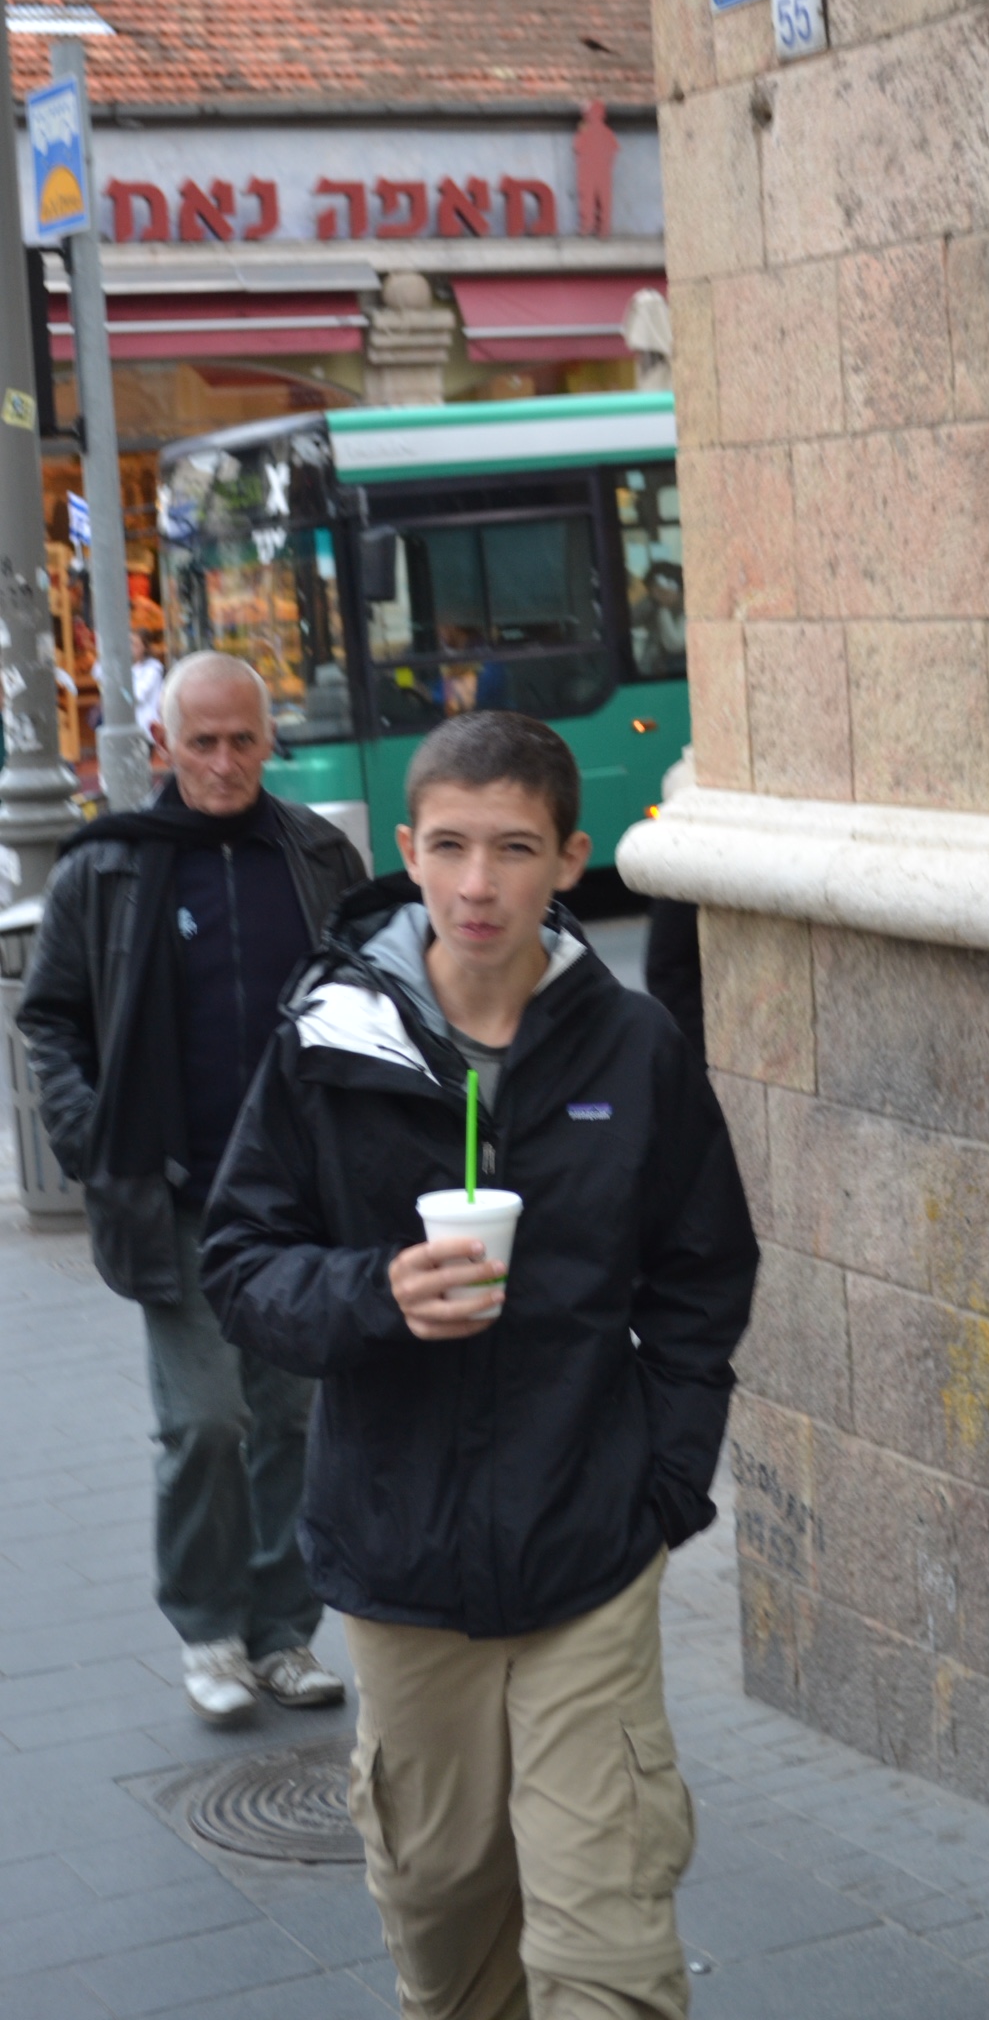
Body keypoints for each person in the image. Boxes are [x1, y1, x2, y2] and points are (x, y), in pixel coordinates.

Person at [201, 710, 759, 2020]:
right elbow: (239, 1262)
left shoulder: (633, 1047)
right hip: (398, 1559)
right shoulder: (330, 1043)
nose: (477, 884)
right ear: (406, 850)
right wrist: (374, 1293)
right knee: (444, 1917)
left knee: (607, 1944)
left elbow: (703, 1273)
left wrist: (665, 1483)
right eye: (449, 846)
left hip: (588, 1554)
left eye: (513, 848)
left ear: (569, 859)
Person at [19, 651, 366, 1725]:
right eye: (201, 742)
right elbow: (49, 1019)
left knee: (293, 1420)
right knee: (207, 1422)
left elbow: (372, 1001)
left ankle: (284, 1633)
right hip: (175, 1200)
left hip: (298, 1204)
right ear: (162, 745)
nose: (223, 761)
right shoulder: (108, 865)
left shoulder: (317, 855)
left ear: (269, 741)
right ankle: (210, 1629)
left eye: (242, 740)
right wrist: (97, 1141)